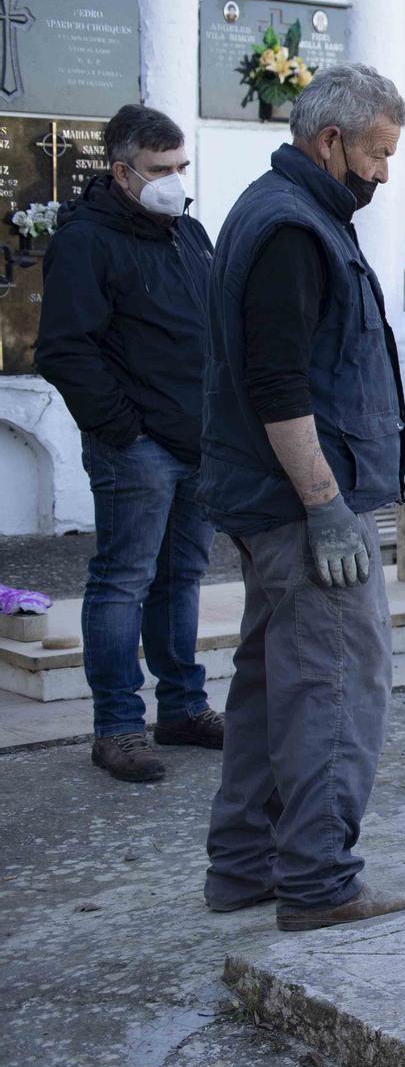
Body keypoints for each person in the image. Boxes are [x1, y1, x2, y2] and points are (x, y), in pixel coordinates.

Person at [197, 63, 405, 930]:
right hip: (299, 509)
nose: (383, 172)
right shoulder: (293, 227)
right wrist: (327, 504)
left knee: (267, 683)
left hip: (270, 504)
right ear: (331, 142)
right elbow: (279, 385)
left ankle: (245, 866)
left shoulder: (284, 209)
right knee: (334, 683)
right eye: (376, 152)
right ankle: (321, 881)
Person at [38, 103, 224, 783]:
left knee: (182, 580)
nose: (174, 181)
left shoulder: (189, 232)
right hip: (137, 448)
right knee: (122, 583)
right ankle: (118, 725)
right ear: (121, 172)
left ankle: (182, 706)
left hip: (197, 441)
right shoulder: (87, 240)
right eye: (159, 169)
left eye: (180, 167)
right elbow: (64, 348)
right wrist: (124, 429)